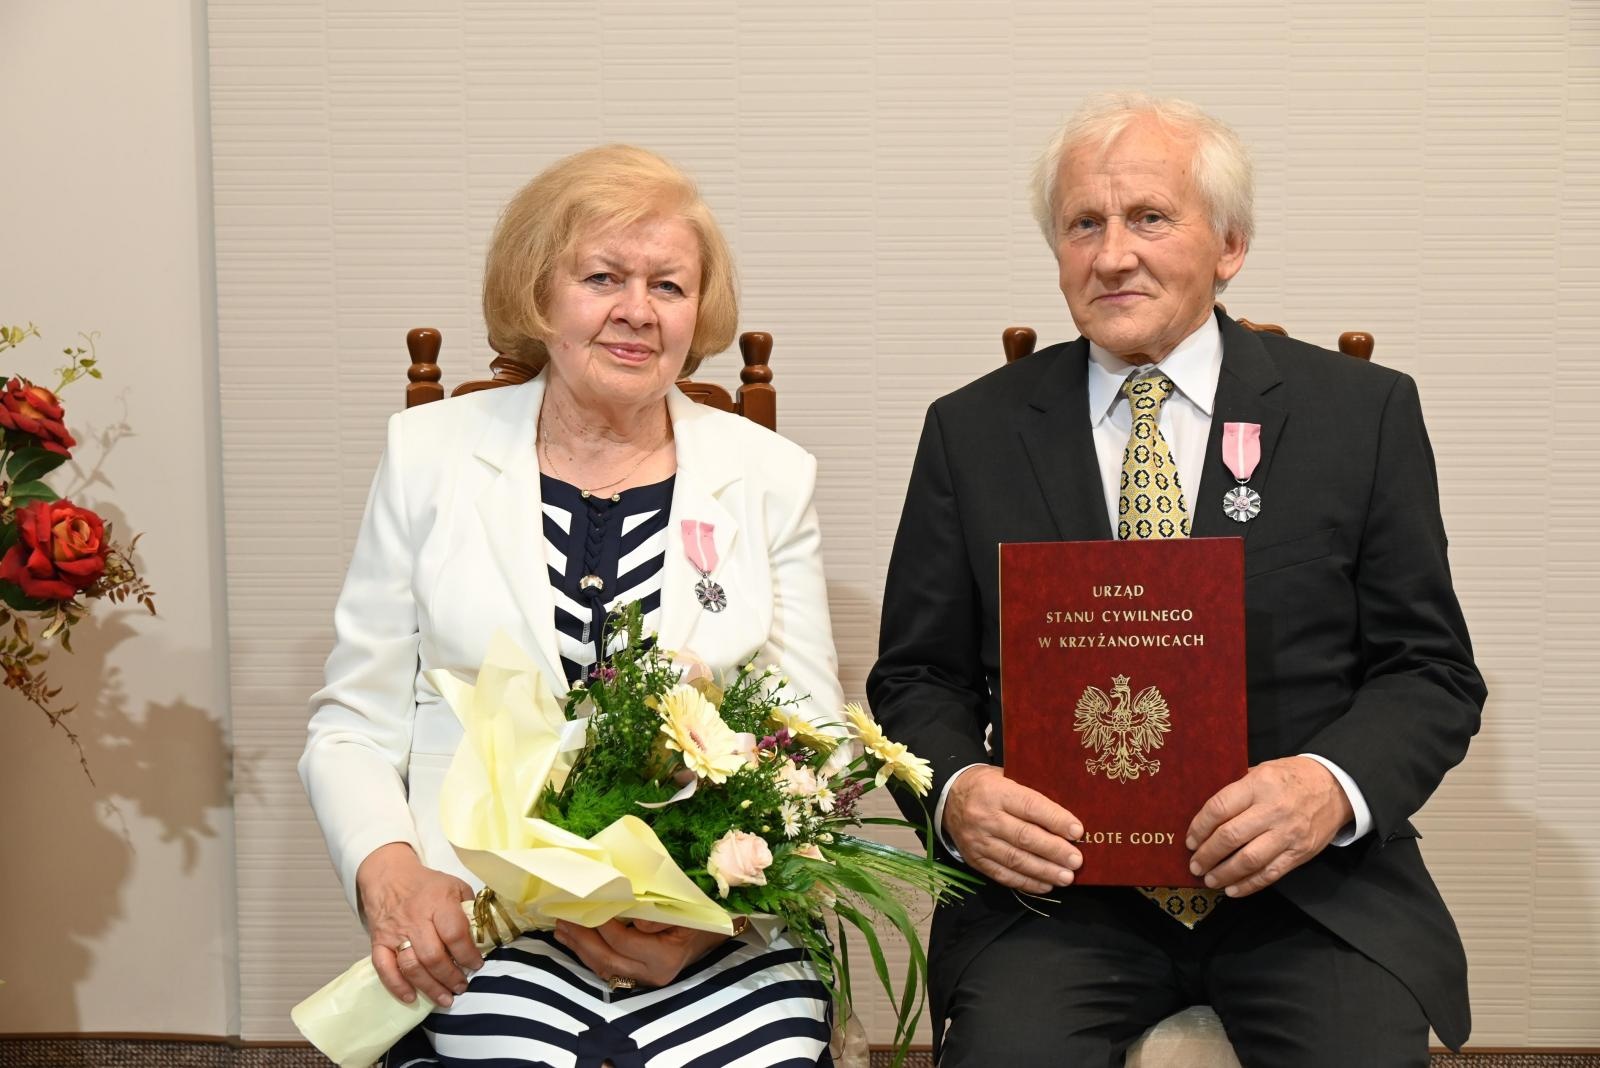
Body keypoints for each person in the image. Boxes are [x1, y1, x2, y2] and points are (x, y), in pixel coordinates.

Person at [867, 92, 1485, 1067]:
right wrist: (958, 792)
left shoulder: (1359, 416)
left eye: (1149, 217)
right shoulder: (971, 431)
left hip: (1307, 890)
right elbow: (916, 678)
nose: (1113, 255)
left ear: (1229, 245)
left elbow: (1430, 672)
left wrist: (1327, 788)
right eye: (1084, 224)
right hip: (1059, 895)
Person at [301, 144, 843, 1067]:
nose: (638, 310)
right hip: (484, 914)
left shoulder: (768, 477)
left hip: (711, 921)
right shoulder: (428, 456)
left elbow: (815, 735)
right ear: (538, 295)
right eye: (602, 278)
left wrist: (712, 914)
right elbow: (353, 721)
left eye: (668, 285)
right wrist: (392, 875)